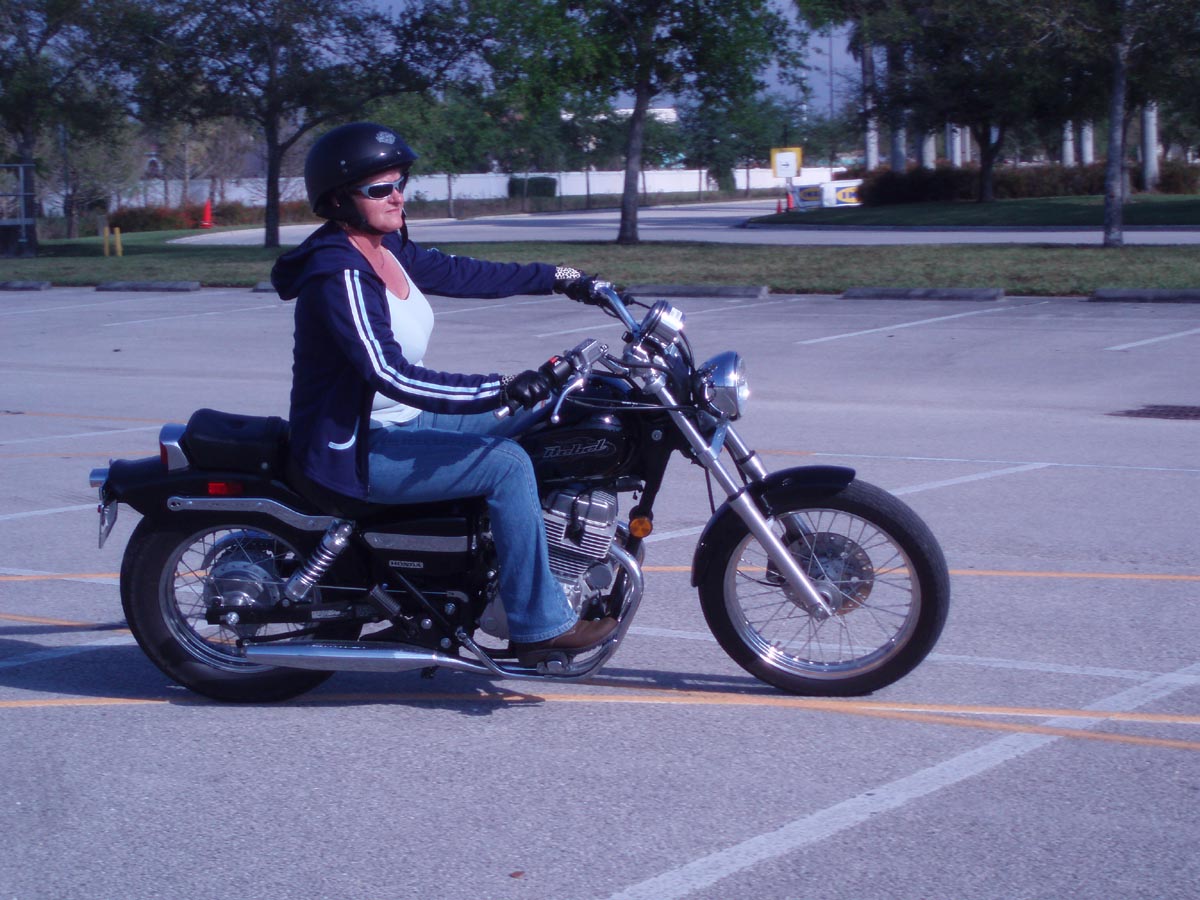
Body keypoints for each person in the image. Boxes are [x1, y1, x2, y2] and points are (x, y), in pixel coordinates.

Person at [270, 122, 616, 663]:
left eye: (399, 183)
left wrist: (560, 277)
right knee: (506, 465)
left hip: (401, 422)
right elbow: (391, 374)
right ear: (338, 200)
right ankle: (537, 625)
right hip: (356, 446)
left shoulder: (387, 248)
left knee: (556, 407)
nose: (397, 196)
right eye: (379, 188)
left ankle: (529, 562)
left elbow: (465, 273)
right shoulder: (339, 273)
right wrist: (502, 386)